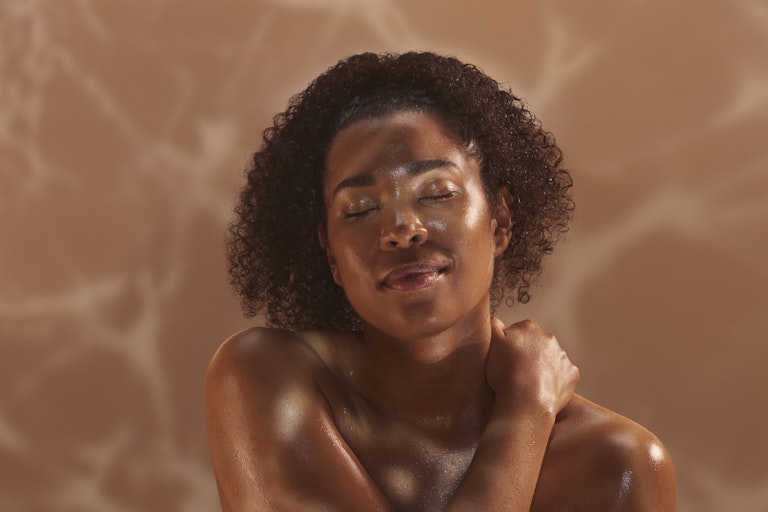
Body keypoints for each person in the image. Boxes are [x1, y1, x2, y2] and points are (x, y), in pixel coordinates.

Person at [205, 51, 676, 511]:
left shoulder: (616, 465)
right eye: (361, 209)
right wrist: (525, 410)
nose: (401, 229)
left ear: (501, 220)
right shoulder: (263, 380)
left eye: (436, 193)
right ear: (330, 254)